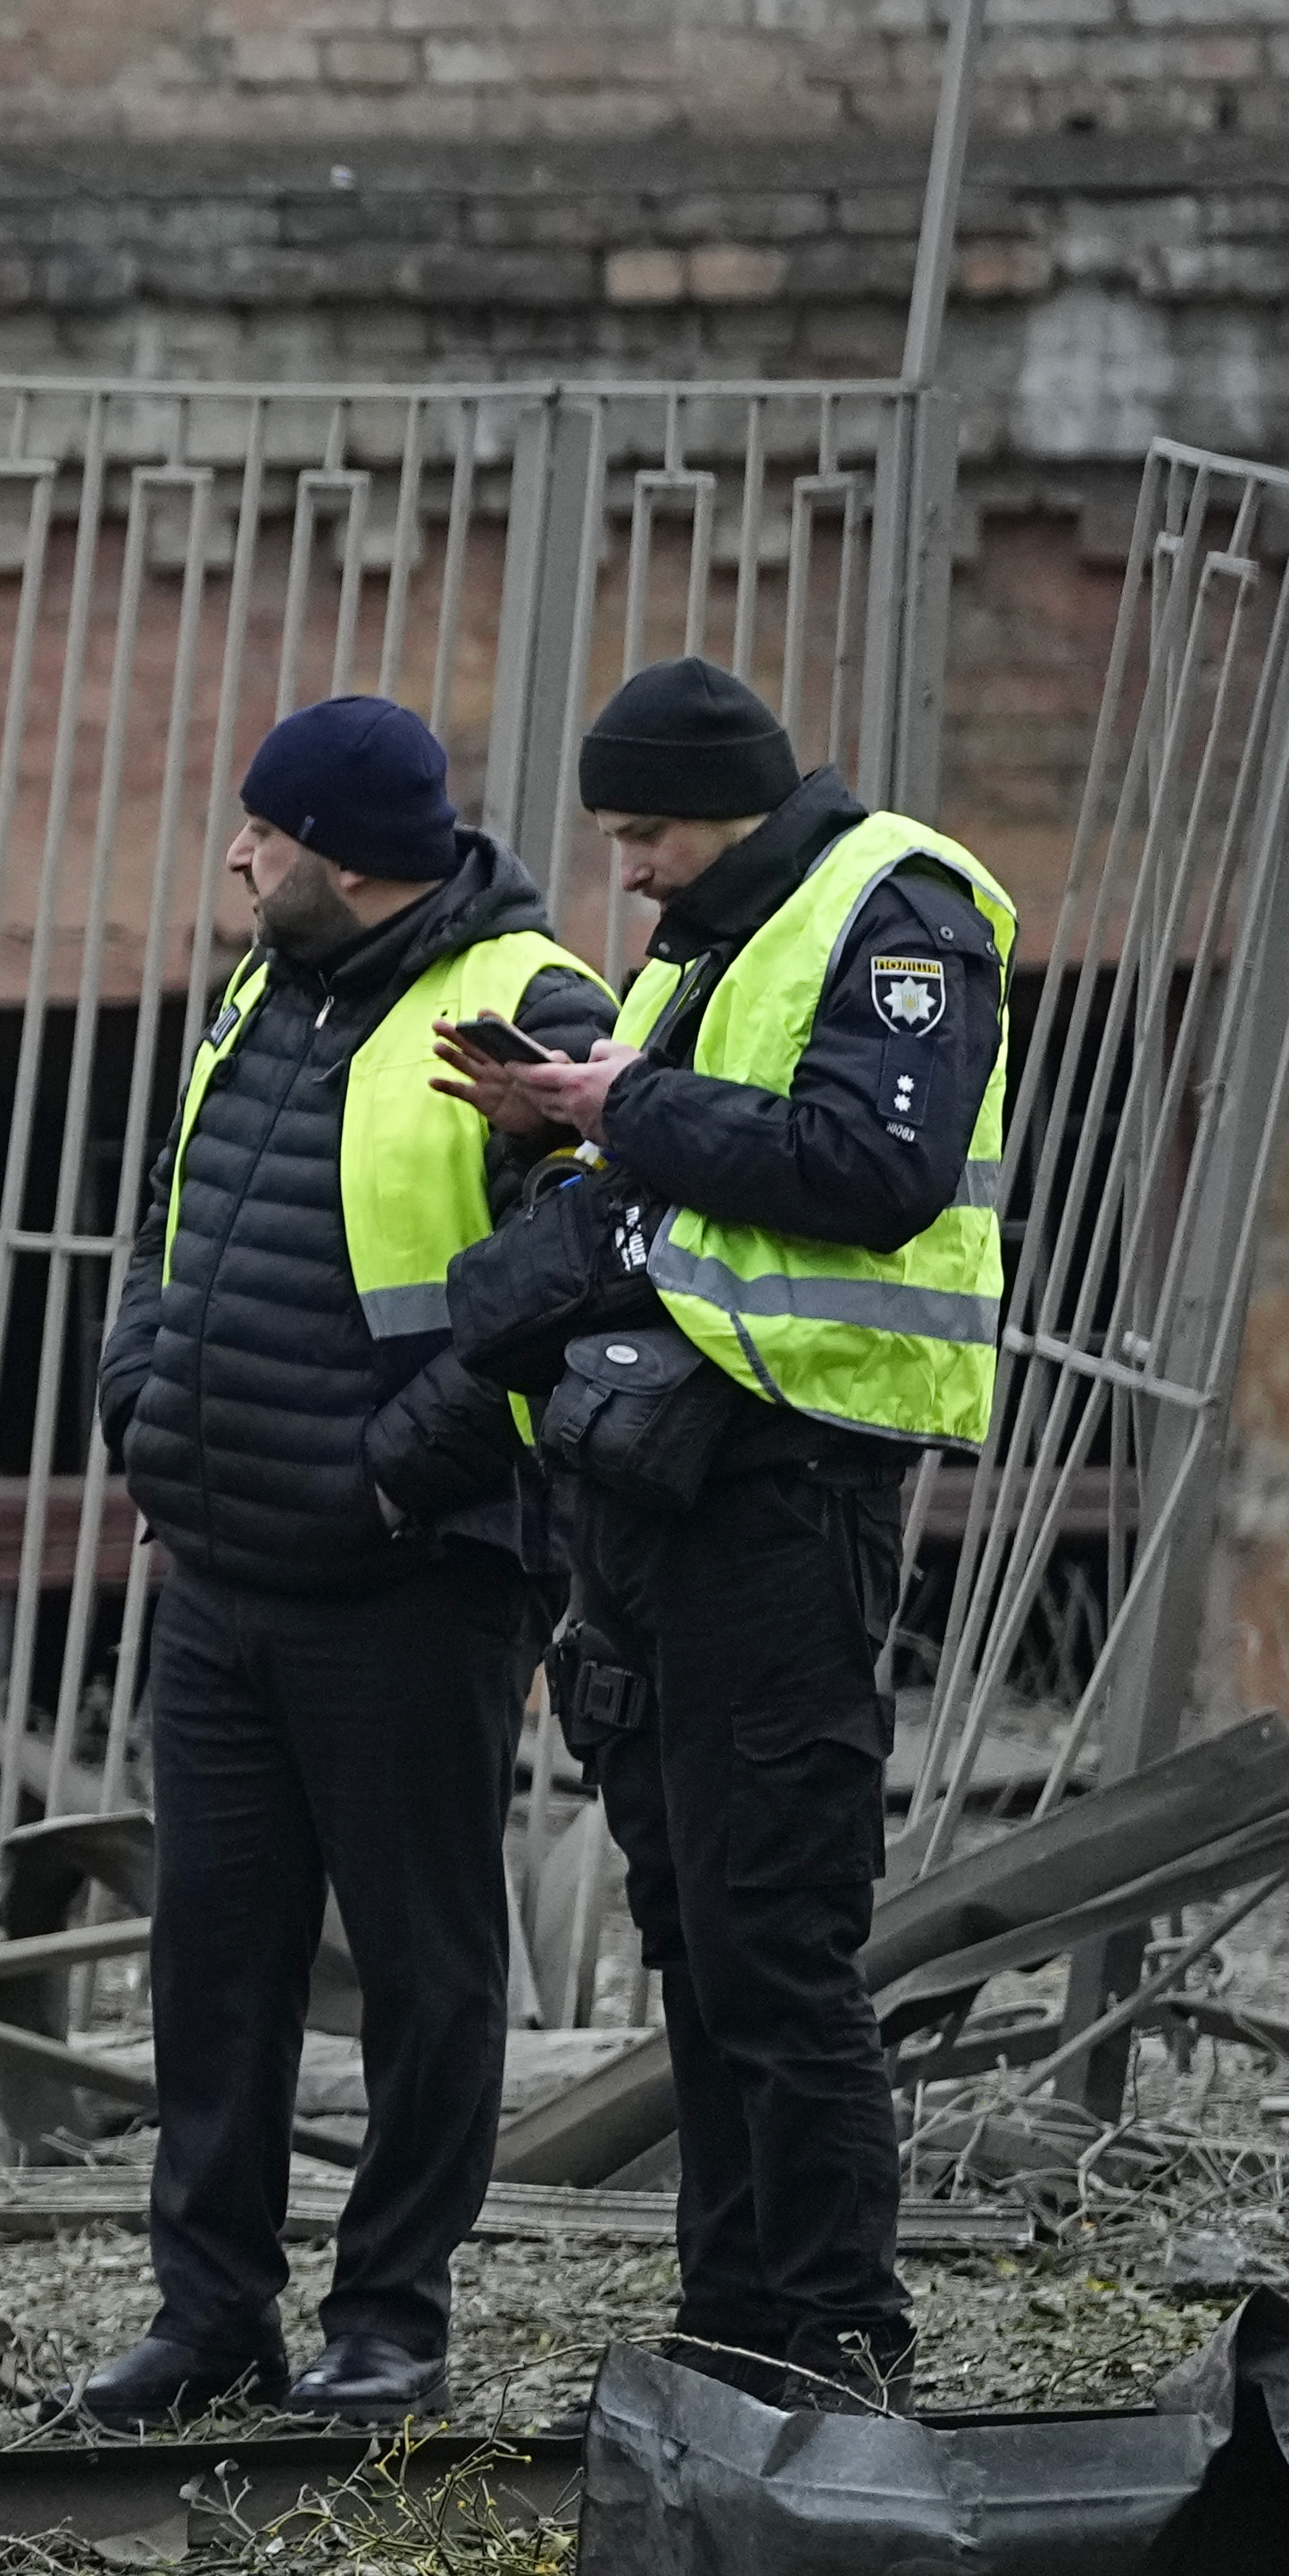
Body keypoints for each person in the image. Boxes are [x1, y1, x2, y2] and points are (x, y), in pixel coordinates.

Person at [439, 658, 1013, 2411]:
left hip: (794, 1485)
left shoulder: (891, 907)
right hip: (665, 1491)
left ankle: (834, 2329)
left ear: (732, 801)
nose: (625, 868)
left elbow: (869, 1164)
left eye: (647, 831)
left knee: (776, 1939)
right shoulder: (714, 928)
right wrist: (567, 1130)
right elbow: (671, 1182)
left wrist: (616, 1105)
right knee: (694, 1929)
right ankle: (732, 2318)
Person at [74, 699, 617, 2436]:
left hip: (412, 1576)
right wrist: (138, 1396)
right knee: (210, 1958)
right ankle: (205, 2313)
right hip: (221, 1567)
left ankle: (388, 2318)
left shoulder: (532, 1008)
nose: (234, 854)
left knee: (421, 1959)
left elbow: (581, 1267)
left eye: (262, 831)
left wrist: (393, 1472)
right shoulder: (258, 983)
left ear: (351, 854)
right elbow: (163, 1218)